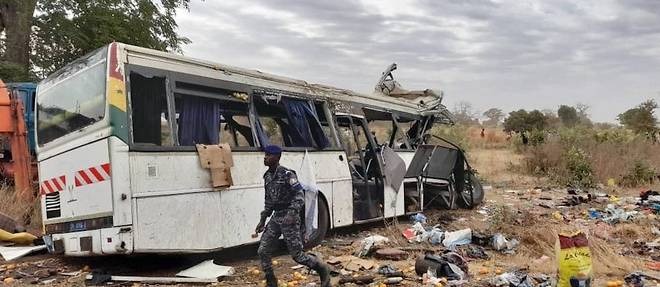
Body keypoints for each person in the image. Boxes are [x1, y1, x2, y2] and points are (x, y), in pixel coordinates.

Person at [255, 145, 331, 287]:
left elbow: (300, 196)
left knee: (298, 256)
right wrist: (262, 219)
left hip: (290, 218)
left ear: (277, 158)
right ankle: (271, 281)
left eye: (268, 155)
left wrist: (291, 214)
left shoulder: (288, 174)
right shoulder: (267, 176)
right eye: (265, 155)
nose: (265, 157)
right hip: (276, 217)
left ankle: (322, 269)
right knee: (263, 251)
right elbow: (269, 201)